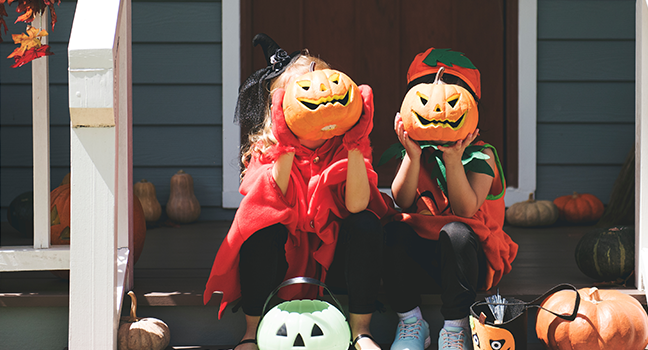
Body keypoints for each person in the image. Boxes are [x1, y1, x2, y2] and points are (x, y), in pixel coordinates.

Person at [204, 34, 390, 350]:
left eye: (326, 84)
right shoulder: (267, 149)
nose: (321, 96)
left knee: (366, 224)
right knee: (259, 229)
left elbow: (358, 205)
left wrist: (356, 143)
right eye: (307, 90)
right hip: (282, 265)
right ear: (283, 105)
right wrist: (287, 141)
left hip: (335, 264)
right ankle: (252, 332)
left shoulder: (346, 147)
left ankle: (362, 330)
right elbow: (270, 202)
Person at [382, 48, 518, 350]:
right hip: (424, 260)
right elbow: (402, 201)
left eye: (453, 100)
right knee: (394, 230)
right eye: (425, 97)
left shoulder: (482, 156)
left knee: (456, 232)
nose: (438, 108)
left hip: (466, 262)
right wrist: (413, 156)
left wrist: (454, 158)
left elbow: (465, 209)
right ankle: (411, 322)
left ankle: (455, 328)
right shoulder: (416, 154)